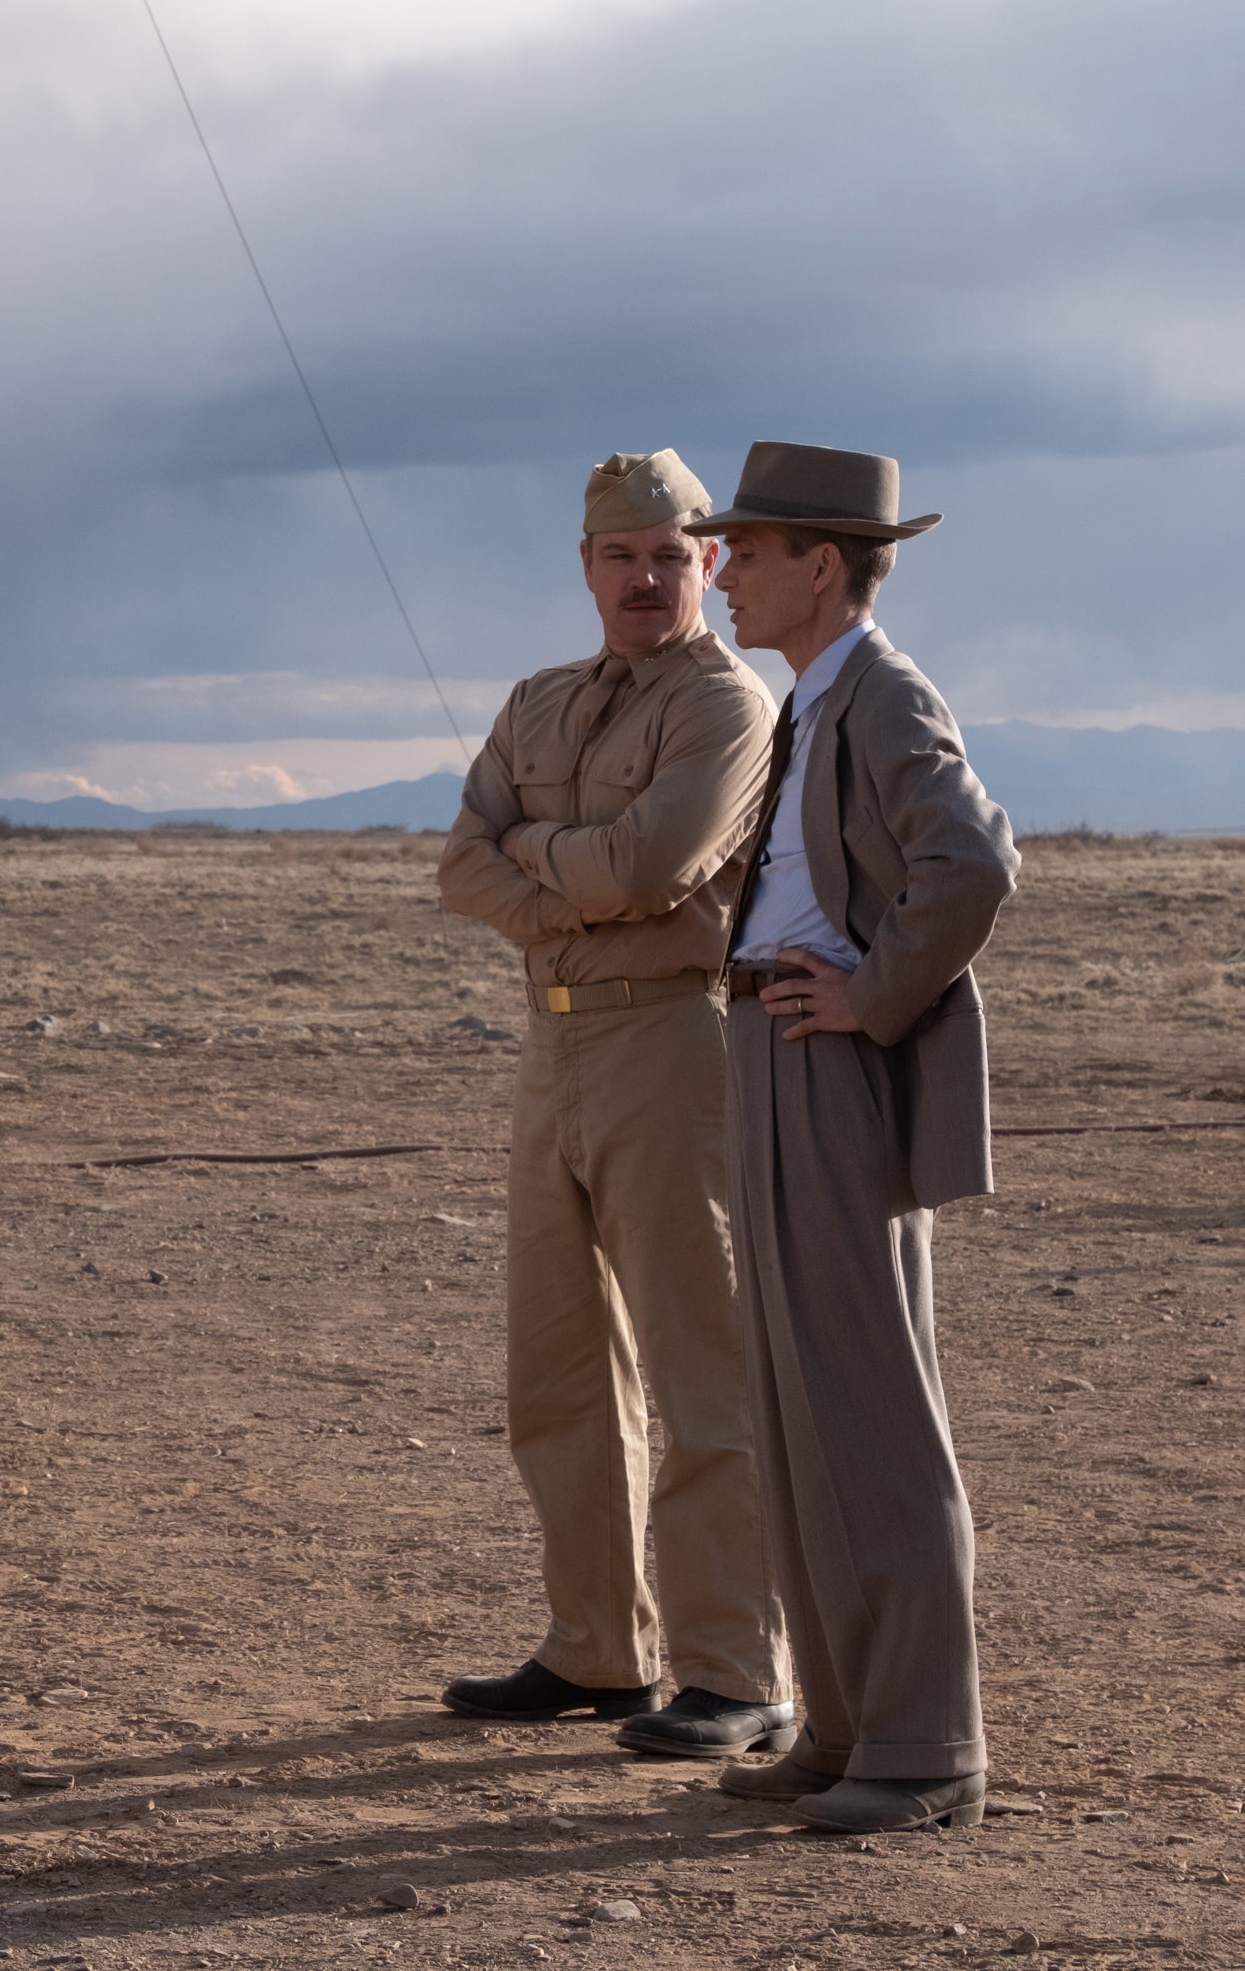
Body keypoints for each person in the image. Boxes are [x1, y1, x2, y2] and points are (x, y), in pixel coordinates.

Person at [435, 449, 797, 1760]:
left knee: (701, 1362)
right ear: (584, 566)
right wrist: (565, 875)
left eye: (668, 553)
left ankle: (732, 1665)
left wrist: (535, 857)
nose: (644, 577)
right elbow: (456, 865)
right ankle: (595, 1648)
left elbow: (657, 860)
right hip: (556, 1046)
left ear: (707, 561)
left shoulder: (728, 705)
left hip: (673, 1045)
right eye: (618, 555)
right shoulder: (539, 701)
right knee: (556, 1369)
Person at [687, 441, 1019, 1833]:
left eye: (744, 552)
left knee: (868, 1408)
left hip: (833, 1065)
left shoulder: (880, 696)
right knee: (794, 1400)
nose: (720, 575)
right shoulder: (811, 701)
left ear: (821, 567)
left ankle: (924, 1746)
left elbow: (973, 863)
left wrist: (873, 994)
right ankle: (841, 1726)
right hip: (772, 1049)